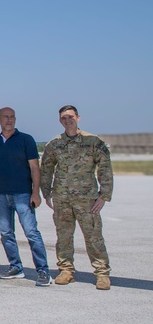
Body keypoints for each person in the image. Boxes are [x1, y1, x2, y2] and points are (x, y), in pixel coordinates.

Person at [40, 105, 114, 290]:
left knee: (93, 237)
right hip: (62, 198)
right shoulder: (55, 144)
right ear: (60, 121)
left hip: (87, 199)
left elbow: (105, 168)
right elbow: (46, 169)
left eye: (70, 117)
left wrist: (104, 195)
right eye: (64, 118)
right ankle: (66, 270)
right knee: (63, 236)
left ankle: (102, 273)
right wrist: (46, 193)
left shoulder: (93, 142)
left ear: (78, 118)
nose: (67, 120)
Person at [0, 107, 50, 286]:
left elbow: (35, 168)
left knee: (31, 232)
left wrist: (35, 193)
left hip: (23, 194)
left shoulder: (26, 140)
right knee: (6, 233)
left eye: (12, 117)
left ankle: (43, 270)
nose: (9, 120)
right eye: (6, 117)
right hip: (0, 195)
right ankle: (16, 267)